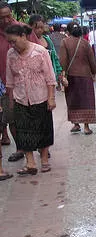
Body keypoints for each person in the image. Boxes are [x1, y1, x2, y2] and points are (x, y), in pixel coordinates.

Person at [5, 23, 56, 175]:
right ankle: (31, 163)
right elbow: (9, 79)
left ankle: (45, 160)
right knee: (23, 131)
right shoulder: (11, 54)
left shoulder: (39, 51)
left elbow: (50, 77)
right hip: (20, 98)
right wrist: (11, 100)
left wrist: (51, 98)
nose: (12, 45)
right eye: (10, 42)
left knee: (43, 129)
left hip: (40, 97)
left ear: (23, 36)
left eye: (14, 41)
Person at [0, 1, 38, 156]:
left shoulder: (23, 29)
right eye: (1, 17)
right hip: (6, 85)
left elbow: (39, 51)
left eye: (8, 16)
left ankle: (41, 146)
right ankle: (21, 148)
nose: (6, 20)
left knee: (34, 116)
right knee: (12, 119)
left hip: (31, 83)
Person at [59, 22, 96, 135]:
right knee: (86, 101)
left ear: (68, 31)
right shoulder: (85, 43)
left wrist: (63, 76)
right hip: (86, 76)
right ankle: (86, 127)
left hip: (71, 76)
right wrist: (94, 73)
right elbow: (92, 59)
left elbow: (63, 60)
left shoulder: (65, 42)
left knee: (73, 100)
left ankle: (76, 124)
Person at [28, 15, 62, 88]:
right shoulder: (28, 42)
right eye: (37, 28)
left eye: (41, 27)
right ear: (30, 27)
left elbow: (55, 57)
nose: (40, 30)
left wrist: (59, 73)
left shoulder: (48, 40)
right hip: (35, 81)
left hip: (49, 78)